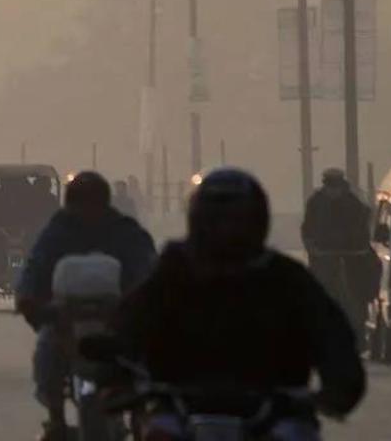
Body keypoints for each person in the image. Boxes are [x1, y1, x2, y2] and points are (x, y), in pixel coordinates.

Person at [117, 168, 365, 440]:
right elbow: (127, 322)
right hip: (180, 409)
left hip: (273, 413)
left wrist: (342, 384)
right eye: (217, 221)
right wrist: (112, 370)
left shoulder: (284, 276)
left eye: (237, 221)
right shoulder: (172, 272)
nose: (226, 231)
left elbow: (332, 333)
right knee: (158, 430)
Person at [17, 171, 158, 440]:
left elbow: (148, 269)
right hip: (66, 324)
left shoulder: (126, 231)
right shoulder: (58, 231)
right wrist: (27, 298)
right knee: (46, 356)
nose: (86, 208)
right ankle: (56, 419)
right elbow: (35, 266)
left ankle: (142, 420)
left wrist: (145, 302)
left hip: (118, 322)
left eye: (92, 201)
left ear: (105, 203)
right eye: (80, 201)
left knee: (147, 365)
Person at [301, 168, 373, 321]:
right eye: (329, 185)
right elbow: (307, 228)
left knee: (362, 284)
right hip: (323, 255)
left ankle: (362, 317)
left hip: (352, 255)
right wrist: (312, 248)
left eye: (336, 185)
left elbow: (363, 227)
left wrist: (362, 249)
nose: (333, 190)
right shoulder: (315, 202)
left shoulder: (354, 203)